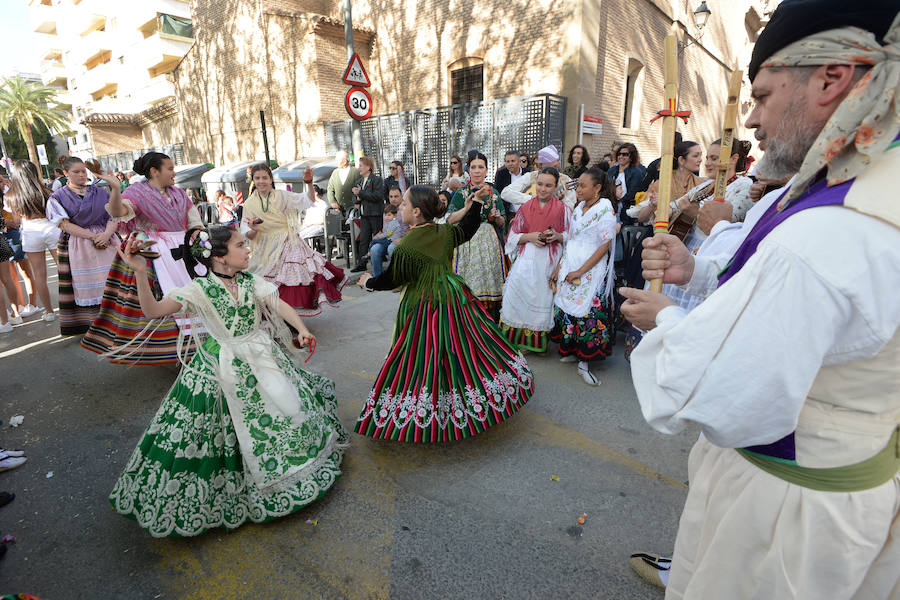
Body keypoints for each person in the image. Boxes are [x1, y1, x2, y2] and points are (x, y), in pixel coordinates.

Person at [620, 4, 900, 597]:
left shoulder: (831, 231)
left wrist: (665, 319)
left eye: (764, 95)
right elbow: (774, 296)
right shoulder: (854, 186)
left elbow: (722, 393)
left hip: (787, 513)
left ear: (832, 79)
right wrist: (695, 270)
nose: (751, 121)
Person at [108, 227, 348, 537]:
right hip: (221, 363)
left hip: (262, 353)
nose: (248, 250)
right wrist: (141, 272)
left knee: (284, 407)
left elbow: (278, 304)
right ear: (219, 257)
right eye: (240, 245)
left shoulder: (250, 281)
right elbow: (152, 311)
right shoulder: (198, 289)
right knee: (221, 429)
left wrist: (301, 328)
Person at [355, 186, 533, 442]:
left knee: (421, 356)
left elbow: (393, 280)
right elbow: (467, 230)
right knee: (463, 350)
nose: (400, 207)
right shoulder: (442, 231)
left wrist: (368, 283)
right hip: (454, 297)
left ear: (416, 212)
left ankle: (429, 414)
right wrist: (475, 205)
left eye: (404, 203)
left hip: (424, 304)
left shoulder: (407, 246)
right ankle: (474, 402)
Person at [81, 151, 202, 365]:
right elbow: (119, 212)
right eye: (170, 169)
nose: (174, 173)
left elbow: (193, 220)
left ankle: (198, 345)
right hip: (150, 251)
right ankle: (168, 349)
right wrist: (116, 188)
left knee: (194, 292)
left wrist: (197, 233)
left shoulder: (179, 193)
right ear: (154, 171)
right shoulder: (137, 192)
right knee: (153, 296)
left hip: (183, 251)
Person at [242, 164, 346, 316]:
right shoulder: (249, 204)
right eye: (257, 178)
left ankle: (290, 316)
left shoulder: (282, 196)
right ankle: (278, 316)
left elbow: (308, 200)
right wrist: (253, 230)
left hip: (288, 242)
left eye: (265, 177)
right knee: (266, 283)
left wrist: (309, 183)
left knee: (292, 278)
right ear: (253, 180)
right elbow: (246, 232)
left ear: (271, 179)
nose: (261, 181)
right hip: (265, 247)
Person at [550, 169, 618, 386]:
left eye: (583, 186)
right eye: (578, 186)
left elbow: (605, 245)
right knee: (569, 309)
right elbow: (570, 238)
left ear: (597, 188)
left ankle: (585, 362)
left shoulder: (606, 209)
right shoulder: (579, 207)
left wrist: (581, 271)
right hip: (571, 261)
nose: (578, 190)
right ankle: (572, 351)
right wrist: (560, 265)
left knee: (588, 312)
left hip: (591, 268)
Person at [499, 167, 570, 353]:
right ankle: (513, 340)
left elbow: (571, 237)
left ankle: (534, 344)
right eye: (540, 184)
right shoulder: (524, 208)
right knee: (517, 296)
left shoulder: (563, 210)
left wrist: (557, 236)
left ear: (556, 186)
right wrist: (529, 237)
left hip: (548, 262)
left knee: (540, 299)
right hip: (525, 261)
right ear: (534, 184)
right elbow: (512, 237)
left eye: (548, 185)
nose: (543, 189)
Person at [45, 157, 119, 336]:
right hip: (79, 243)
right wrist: (94, 236)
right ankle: (96, 326)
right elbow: (65, 225)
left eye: (83, 171)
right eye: (76, 172)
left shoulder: (100, 192)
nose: (81, 175)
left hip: (107, 240)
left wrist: (107, 234)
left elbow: (114, 215)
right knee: (89, 285)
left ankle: (119, 323)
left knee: (114, 281)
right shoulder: (57, 197)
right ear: (65, 173)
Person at [447, 152, 507, 318]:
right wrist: (466, 208)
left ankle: (489, 321)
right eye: (473, 167)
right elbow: (450, 219)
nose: (477, 170)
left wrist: (498, 217)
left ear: (487, 170)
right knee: (469, 282)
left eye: (481, 167)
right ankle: (468, 319)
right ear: (469, 170)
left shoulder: (494, 193)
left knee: (490, 280)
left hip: (489, 243)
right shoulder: (461, 194)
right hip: (467, 240)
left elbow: (502, 222)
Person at [3, 160, 59, 322]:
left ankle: (49, 312)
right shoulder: (46, 191)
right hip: (51, 229)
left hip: (30, 232)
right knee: (64, 270)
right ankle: (74, 307)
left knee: (40, 275)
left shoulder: (11, 196)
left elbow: (17, 221)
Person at [501, 145, 578, 212]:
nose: (553, 171)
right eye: (548, 168)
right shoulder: (531, 176)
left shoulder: (566, 180)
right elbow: (505, 193)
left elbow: (572, 209)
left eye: (555, 167)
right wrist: (532, 199)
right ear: (540, 166)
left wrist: (562, 199)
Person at [350, 156, 385, 273]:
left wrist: (361, 193)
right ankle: (362, 263)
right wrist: (357, 196)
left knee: (376, 238)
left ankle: (377, 260)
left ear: (368, 167)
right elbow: (357, 201)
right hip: (364, 214)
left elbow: (377, 196)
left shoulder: (377, 180)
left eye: (361, 165)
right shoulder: (359, 181)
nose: (358, 168)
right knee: (363, 239)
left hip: (375, 214)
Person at [370, 188, 409, 277]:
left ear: (401, 196)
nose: (393, 199)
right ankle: (378, 278)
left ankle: (397, 278)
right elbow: (386, 229)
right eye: (391, 196)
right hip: (387, 240)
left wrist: (403, 239)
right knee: (374, 249)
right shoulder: (387, 211)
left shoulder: (405, 210)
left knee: (391, 248)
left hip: (401, 240)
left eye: (396, 196)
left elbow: (412, 228)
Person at [607, 143, 646, 221]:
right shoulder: (612, 170)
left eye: (625, 154)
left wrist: (619, 202)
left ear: (631, 157)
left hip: (626, 209)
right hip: (610, 206)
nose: (621, 156)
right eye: (619, 154)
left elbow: (632, 193)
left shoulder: (636, 172)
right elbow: (607, 187)